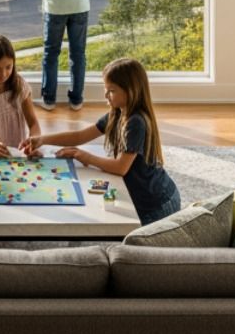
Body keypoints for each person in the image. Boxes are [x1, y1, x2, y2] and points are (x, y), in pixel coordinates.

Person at [23, 57, 180, 225]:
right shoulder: (117, 113)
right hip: (145, 198)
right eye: (106, 89)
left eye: (111, 90)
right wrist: (42, 139)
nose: (105, 94)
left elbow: (121, 168)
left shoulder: (136, 122)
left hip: (158, 205)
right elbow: (80, 136)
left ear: (130, 91)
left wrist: (84, 156)